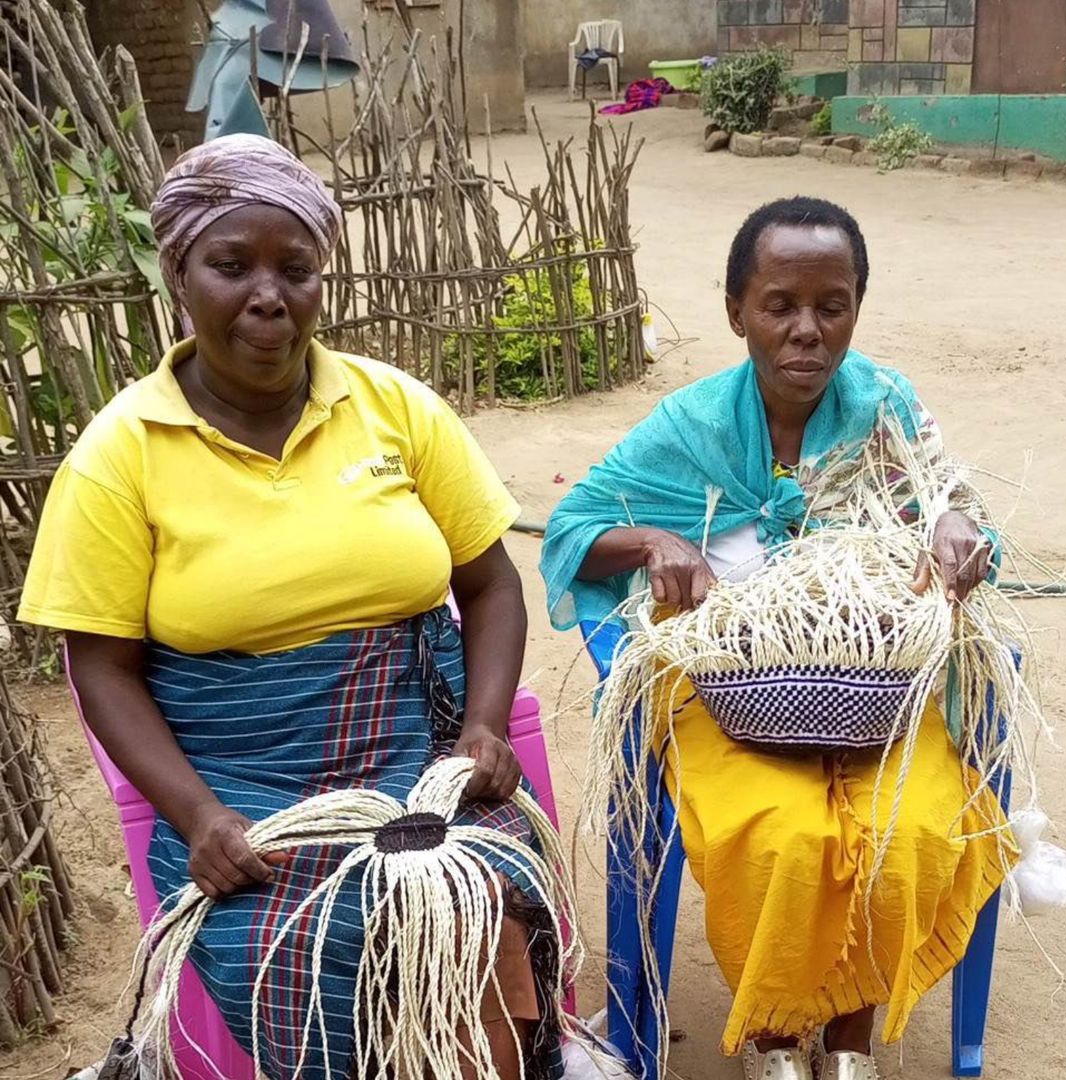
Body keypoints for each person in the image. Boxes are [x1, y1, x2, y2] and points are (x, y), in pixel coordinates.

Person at [19, 134, 562, 1080]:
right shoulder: (121, 453)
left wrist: (480, 728)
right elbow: (100, 666)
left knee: (480, 903)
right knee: (295, 949)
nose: (269, 295)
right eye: (232, 266)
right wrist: (198, 820)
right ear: (179, 275)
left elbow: (489, 582)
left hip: (418, 755)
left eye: (296, 268)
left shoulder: (394, 406)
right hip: (244, 794)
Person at [540, 197, 1007, 1080]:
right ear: (737, 313)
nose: (807, 333)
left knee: (905, 827)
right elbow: (570, 531)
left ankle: (849, 1043)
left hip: (876, 687)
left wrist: (952, 524)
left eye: (831, 306)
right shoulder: (689, 428)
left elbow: (957, 513)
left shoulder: (886, 409)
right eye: (779, 306)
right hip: (727, 687)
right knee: (783, 835)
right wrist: (654, 540)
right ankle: (779, 1038)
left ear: (856, 309)